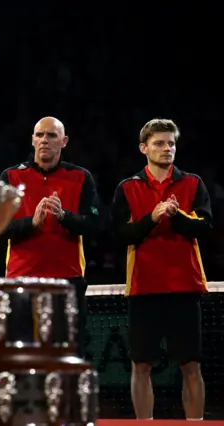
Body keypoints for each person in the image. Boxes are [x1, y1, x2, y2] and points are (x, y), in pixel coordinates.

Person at [111, 118, 211, 421]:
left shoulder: (193, 183)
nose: (167, 148)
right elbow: (119, 234)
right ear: (144, 148)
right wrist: (152, 218)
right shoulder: (127, 188)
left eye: (171, 143)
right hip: (144, 288)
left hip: (185, 287)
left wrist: (176, 215)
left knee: (191, 365)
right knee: (140, 365)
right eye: (159, 143)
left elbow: (205, 227)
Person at [0, 116, 101, 357]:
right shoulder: (10, 177)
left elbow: (96, 226)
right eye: (40, 135)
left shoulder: (81, 177)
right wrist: (30, 224)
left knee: (69, 357)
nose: (45, 140)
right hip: (21, 281)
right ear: (32, 140)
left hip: (68, 281)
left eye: (51, 135)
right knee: (21, 357)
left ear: (63, 141)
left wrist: (64, 217)